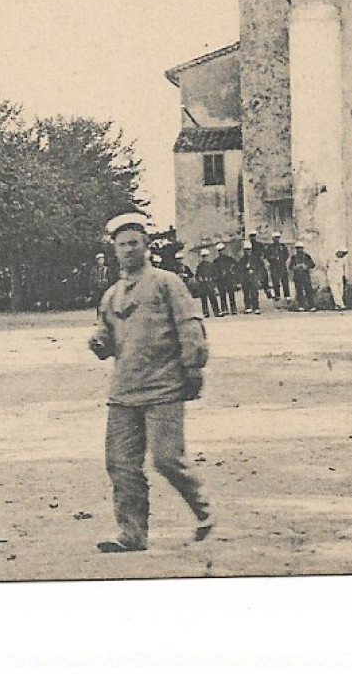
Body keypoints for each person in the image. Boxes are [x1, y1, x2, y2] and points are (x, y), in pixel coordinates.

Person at [87, 212, 213, 552]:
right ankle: (131, 533)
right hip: (124, 391)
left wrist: (193, 366)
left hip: (164, 387)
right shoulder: (112, 294)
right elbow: (107, 333)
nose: (129, 249)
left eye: (134, 243)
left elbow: (190, 324)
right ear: (114, 250)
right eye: (122, 244)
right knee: (121, 464)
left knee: (166, 458)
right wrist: (99, 341)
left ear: (146, 246)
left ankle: (203, 509)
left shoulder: (166, 282)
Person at [211, 243, 239, 317]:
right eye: (219, 251)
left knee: (231, 293)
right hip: (220, 280)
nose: (221, 252)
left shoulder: (229, 259)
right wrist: (216, 277)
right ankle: (224, 309)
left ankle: (233, 308)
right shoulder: (216, 261)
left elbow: (236, 265)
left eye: (222, 250)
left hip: (228, 278)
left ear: (224, 250)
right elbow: (214, 270)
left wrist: (231, 271)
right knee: (222, 294)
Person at [266, 234, 292, 302]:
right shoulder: (270, 247)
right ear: (273, 239)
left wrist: (282, 260)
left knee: (285, 281)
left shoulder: (282, 246)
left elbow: (286, 254)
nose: (276, 239)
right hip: (274, 266)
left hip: (282, 265)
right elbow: (267, 255)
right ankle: (277, 295)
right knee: (275, 281)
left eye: (278, 238)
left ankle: (287, 296)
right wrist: (272, 260)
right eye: (275, 238)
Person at [289, 244, 316, 310]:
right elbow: (290, 267)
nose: (299, 250)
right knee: (299, 291)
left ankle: (311, 306)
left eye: (300, 248)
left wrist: (306, 266)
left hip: (306, 276)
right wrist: (295, 267)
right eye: (297, 248)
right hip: (297, 276)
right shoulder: (294, 257)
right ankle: (301, 306)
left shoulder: (307, 256)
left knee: (308, 291)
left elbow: (312, 265)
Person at [193, 249, 218, 317]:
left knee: (213, 298)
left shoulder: (211, 265)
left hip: (209, 283)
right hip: (203, 284)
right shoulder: (199, 266)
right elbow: (197, 275)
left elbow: (215, 274)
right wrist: (199, 278)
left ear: (208, 257)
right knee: (204, 299)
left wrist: (212, 281)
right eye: (203, 256)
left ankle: (216, 311)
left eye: (206, 256)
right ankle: (205, 312)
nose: (204, 258)